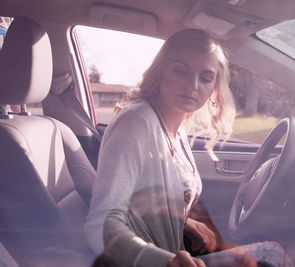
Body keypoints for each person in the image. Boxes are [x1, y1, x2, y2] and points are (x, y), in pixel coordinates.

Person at [85, 28, 284, 267]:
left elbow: (142, 200)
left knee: (265, 253)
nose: (193, 85)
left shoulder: (175, 124)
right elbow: (100, 224)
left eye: (206, 77)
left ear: (214, 87)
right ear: (160, 72)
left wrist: (183, 222)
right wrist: (165, 262)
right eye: (181, 71)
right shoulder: (136, 123)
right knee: (271, 255)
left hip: (176, 255)